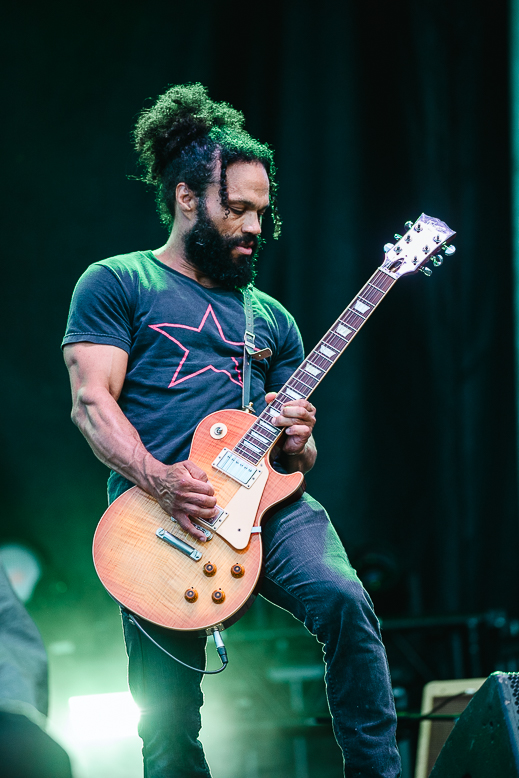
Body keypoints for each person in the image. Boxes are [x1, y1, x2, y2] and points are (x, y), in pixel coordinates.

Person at [62, 83, 401, 778]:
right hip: (158, 514)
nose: (253, 227)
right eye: (237, 208)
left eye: (261, 212)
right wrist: (160, 478)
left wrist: (299, 438)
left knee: (345, 602)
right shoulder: (118, 282)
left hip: (264, 504)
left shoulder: (270, 318)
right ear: (188, 197)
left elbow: (298, 458)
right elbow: (92, 403)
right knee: (167, 724)